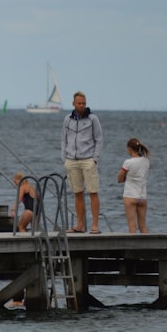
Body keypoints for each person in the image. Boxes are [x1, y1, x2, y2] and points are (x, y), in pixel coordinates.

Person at [61, 91, 103, 233]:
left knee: (93, 192)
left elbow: (99, 139)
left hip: (88, 160)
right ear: (73, 103)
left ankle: (95, 225)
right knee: (77, 193)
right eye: (79, 103)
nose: (82, 105)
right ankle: (80, 225)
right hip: (71, 160)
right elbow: (63, 138)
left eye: (84, 103)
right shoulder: (67, 119)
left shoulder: (92, 119)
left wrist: (95, 159)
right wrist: (64, 157)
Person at [117, 138, 150, 233]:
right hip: (142, 197)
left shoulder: (128, 162)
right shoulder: (146, 161)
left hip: (130, 195)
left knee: (132, 226)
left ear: (130, 149)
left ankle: (133, 248)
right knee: (143, 226)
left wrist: (125, 178)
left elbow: (119, 178)